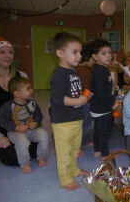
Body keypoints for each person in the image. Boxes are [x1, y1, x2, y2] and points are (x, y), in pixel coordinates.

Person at [50, 32, 91, 191]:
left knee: (74, 149)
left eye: (80, 52)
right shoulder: (59, 74)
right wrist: (78, 101)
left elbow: (73, 92)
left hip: (76, 118)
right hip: (63, 122)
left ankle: (73, 169)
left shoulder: (73, 71)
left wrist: (83, 96)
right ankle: (65, 178)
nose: (79, 56)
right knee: (64, 152)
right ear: (60, 53)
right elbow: (58, 98)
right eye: (74, 52)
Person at [0, 37, 38, 166]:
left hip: (18, 127)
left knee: (36, 150)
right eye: (2, 52)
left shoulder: (21, 76)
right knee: (14, 158)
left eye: (10, 52)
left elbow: (29, 105)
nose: (8, 56)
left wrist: (30, 125)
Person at [0, 76, 49, 174]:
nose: (31, 90)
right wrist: (16, 127)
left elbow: (39, 115)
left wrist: (35, 122)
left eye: (31, 87)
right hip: (15, 132)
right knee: (22, 141)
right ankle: (25, 163)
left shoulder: (32, 104)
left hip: (31, 130)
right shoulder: (8, 107)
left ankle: (41, 157)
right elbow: (3, 122)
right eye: (28, 89)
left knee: (44, 135)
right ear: (17, 93)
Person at [89, 39, 121, 161]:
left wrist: (115, 91)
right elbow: (100, 92)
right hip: (102, 108)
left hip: (99, 107)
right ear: (95, 56)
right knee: (104, 132)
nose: (108, 55)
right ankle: (105, 154)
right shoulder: (100, 71)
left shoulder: (103, 68)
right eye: (104, 53)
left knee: (98, 130)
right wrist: (112, 103)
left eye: (109, 52)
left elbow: (105, 88)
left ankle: (97, 150)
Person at [76, 41, 96, 155]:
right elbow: (87, 86)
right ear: (88, 57)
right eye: (93, 59)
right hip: (86, 101)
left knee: (85, 123)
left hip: (82, 101)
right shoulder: (85, 70)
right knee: (86, 123)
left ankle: (86, 141)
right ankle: (77, 145)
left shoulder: (78, 68)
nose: (94, 62)